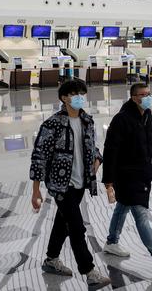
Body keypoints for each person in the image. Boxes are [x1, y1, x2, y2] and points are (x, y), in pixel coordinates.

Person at [30, 79, 111, 289]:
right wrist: (36, 190)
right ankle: (89, 271)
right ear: (64, 98)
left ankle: (51, 259)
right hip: (60, 185)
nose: (79, 97)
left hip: (80, 183)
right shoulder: (52, 124)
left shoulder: (87, 121)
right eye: (74, 94)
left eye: (82, 93)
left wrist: (97, 159)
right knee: (76, 227)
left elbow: (93, 147)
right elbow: (39, 157)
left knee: (63, 222)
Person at [101, 83, 152, 269]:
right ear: (134, 97)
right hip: (126, 175)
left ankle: (112, 242)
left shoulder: (148, 117)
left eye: (149, 94)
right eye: (143, 95)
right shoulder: (121, 120)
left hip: (143, 173)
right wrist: (108, 179)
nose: (147, 98)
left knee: (123, 207)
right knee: (140, 213)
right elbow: (110, 150)